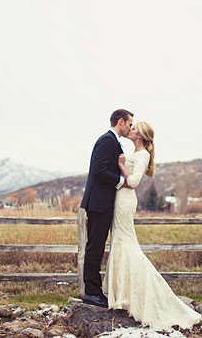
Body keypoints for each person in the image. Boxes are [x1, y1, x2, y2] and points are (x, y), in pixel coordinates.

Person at [103, 121, 201, 330]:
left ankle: (141, 292)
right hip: (120, 198)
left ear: (140, 135)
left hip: (125, 199)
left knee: (126, 244)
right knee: (120, 242)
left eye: (135, 128)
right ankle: (123, 294)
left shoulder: (143, 155)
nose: (131, 129)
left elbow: (135, 181)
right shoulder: (135, 152)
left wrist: (121, 165)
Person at [80, 109, 134, 308]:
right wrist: (122, 182)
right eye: (129, 124)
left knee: (97, 246)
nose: (130, 128)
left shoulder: (113, 141)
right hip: (99, 203)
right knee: (95, 247)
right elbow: (99, 170)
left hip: (102, 203)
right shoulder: (107, 141)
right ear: (120, 121)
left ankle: (94, 291)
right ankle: (91, 293)